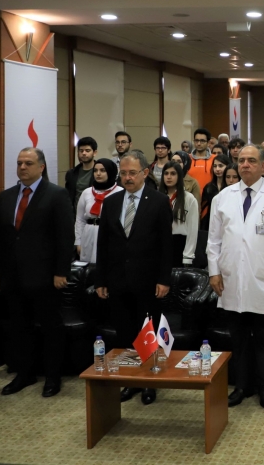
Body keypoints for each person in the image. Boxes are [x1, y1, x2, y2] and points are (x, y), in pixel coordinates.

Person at [207, 144, 264, 410]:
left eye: (251, 161)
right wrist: (213, 271)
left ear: (262, 165)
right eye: (241, 161)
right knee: (238, 340)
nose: (245, 165)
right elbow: (213, 241)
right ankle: (242, 386)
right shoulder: (222, 197)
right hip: (231, 279)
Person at [0, 148, 74, 398]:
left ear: (41, 167)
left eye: (28, 163)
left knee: (50, 327)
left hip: (46, 276)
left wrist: (61, 271)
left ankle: (53, 377)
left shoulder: (56, 195)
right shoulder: (6, 197)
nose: (23, 167)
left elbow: (65, 237)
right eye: (19, 163)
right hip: (12, 276)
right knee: (19, 327)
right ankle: (24, 374)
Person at [95, 150, 173, 406]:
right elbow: (103, 243)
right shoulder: (112, 202)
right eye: (124, 173)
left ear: (145, 173)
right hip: (118, 280)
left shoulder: (159, 201)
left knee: (147, 334)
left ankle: (150, 382)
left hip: (148, 281)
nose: (127, 178)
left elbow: (165, 245)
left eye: (132, 173)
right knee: (124, 334)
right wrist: (101, 280)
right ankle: (130, 380)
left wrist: (164, 279)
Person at [75, 159, 122, 263]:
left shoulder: (120, 192)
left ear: (110, 172)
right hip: (89, 233)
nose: (98, 174)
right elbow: (80, 219)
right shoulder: (87, 192)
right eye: (95, 170)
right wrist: (78, 241)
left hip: (109, 234)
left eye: (103, 170)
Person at [159, 161, 199, 267]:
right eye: (166, 173)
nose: (169, 177)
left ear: (179, 176)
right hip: (160, 246)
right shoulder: (157, 197)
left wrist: (188, 256)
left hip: (179, 245)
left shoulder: (189, 199)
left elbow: (192, 229)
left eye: (173, 174)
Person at [200, 154, 232, 230]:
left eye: (221, 166)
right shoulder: (208, 187)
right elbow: (204, 210)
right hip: (209, 224)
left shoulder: (230, 187)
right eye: (215, 166)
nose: (217, 169)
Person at [65, 137, 97, 211]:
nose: (84, 153)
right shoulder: (71, 173)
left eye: (87, 150)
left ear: (94, 153)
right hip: (75, 216)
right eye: (81, 151)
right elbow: (68, 196)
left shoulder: (100, 172)